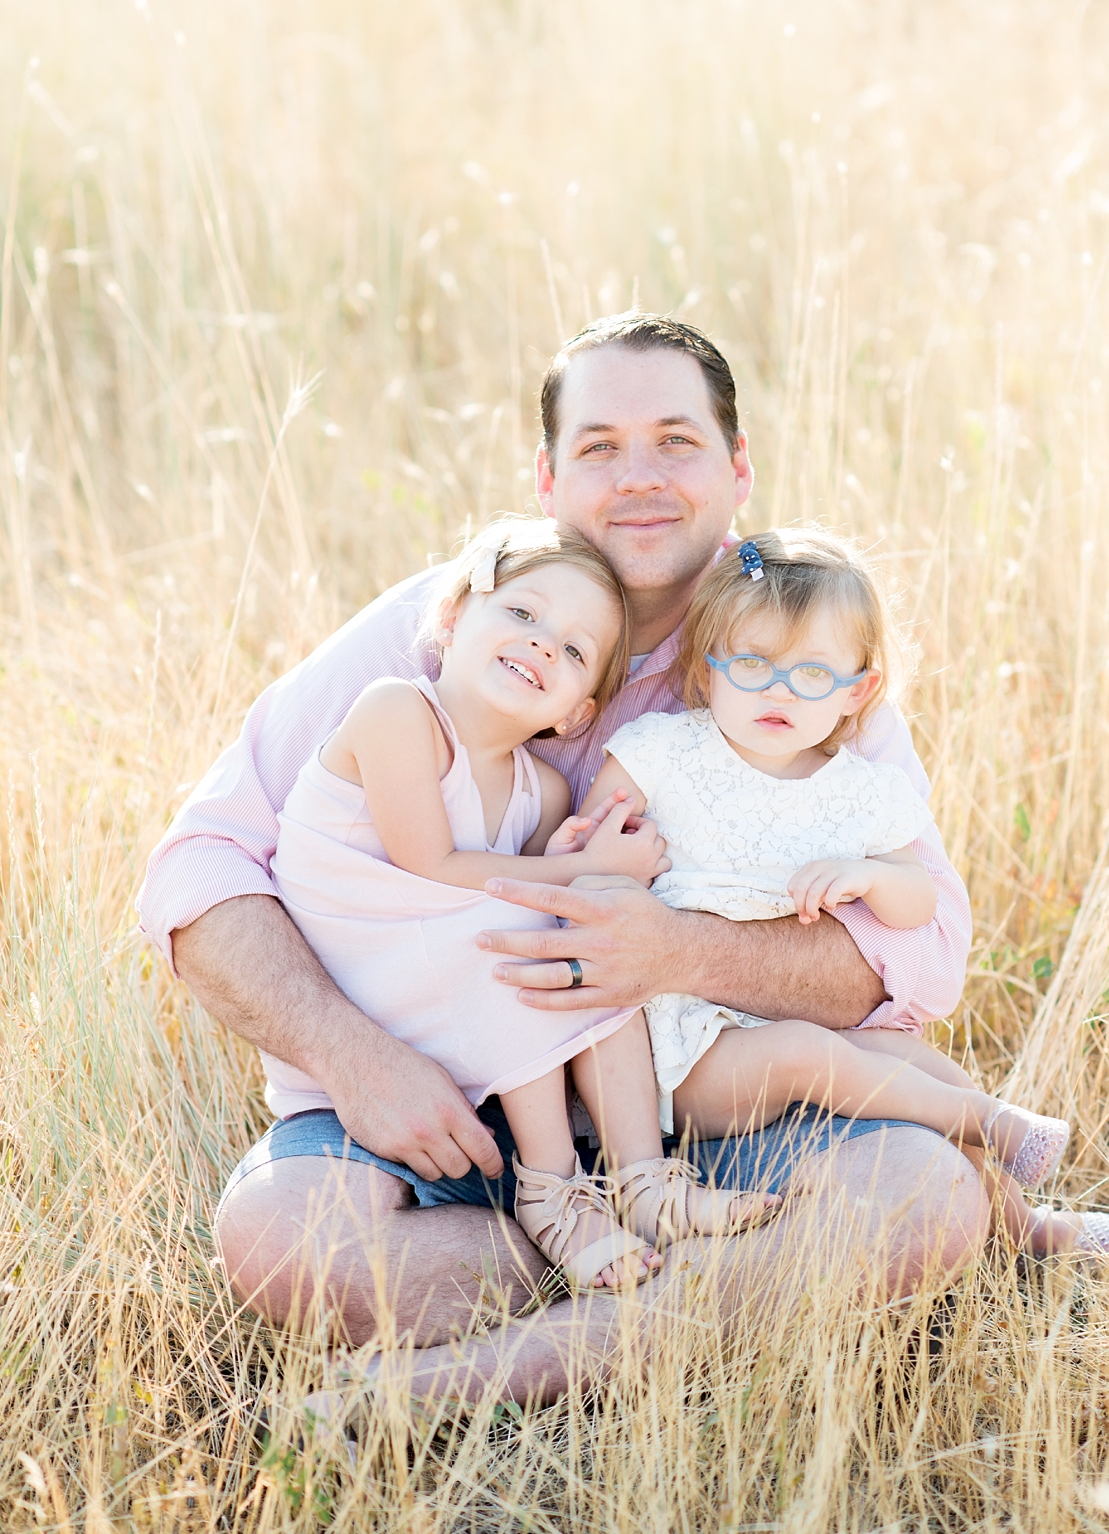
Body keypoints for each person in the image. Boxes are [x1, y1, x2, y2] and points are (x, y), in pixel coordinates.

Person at [139, 311, 988, 1410]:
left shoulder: (795, 640)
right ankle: (671, 1278)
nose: (638, 477)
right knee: (282, 1240)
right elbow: (202, 866)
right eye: (598, 447)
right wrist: (349, 1054)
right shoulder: (452, 622)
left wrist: (677, 951)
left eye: (676, 441)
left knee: (918, 1195)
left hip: (694, 1107)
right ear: (546, 475)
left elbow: (914, 954)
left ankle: (459, 1379)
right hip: (440, 1106)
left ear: (737, 470)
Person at [265, 516, 780, 1294]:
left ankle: (644, 1181)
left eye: (574, 651)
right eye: (522, 613)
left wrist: (600, 872)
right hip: (363, 969)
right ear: (454, 618)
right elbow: (432, 866)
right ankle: (552, 1192)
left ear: (575, 711)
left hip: (440, 980)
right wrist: (581, 874)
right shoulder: (398, 712)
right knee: (527, 928)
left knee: (596, 932)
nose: (543, 642)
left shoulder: (540, 789)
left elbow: (540, 887)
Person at [590, 524, 1109, 1256]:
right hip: (687, 1051)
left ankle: (1023, 1225)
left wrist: (870, 875)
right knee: (809, 1051)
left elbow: (917, 902)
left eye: (812, 673)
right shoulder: (660, 752)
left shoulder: (861, 793)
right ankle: (988, 1117)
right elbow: (584, 848)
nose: (778, 687)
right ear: (707, 671)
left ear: (857, 690)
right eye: (752, 663)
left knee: (918, 1063)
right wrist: (614, 856)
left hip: (811, 1027)